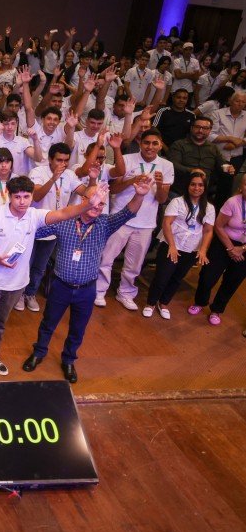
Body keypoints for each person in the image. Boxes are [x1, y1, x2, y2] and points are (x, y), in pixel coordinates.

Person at [0, 175, 107, 382]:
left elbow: (63, 213)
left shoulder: (34, 215)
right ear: (9, 195)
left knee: (0, 323)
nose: (22, 201)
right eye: (17, 197)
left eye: (26, 196)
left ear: (31, 197)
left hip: (17, 283)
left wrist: (88, 203)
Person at [21, 179, 150, 383]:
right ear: (83, 200)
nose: (97, 206)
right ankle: (39, 353)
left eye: (101, 203)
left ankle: (69, 360)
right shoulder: (64, 221)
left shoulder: (105, 224)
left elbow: (128, 212)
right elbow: (35, 231)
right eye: (94, 201)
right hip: (60, 286)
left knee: (78, 328)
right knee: (48, 323)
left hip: (87, 290)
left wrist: (140, 195)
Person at [96, 129, 173, 310]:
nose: (150, 147)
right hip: (120, 217)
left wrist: (160, 185)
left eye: (155, 143)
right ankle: (99, 291)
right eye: (147, 143)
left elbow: (162, 199)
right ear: (140, 143)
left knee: (134, 263)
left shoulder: (167, 166)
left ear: (160, 145)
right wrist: (133, 180)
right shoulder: (128, 159)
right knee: (106, 258)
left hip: (146, 222)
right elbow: (113, 190)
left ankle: (126, 293)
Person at [19, 142, 87, 312]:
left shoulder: (70, 175)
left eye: (65, 161)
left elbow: (85, 192)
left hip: (55, 228)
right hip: (34, 225)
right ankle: (19, 295)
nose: (62, 164)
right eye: (58, 160)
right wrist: (53, 179)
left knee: (40, 266)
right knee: (25, 262)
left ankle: (30, 293)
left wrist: (93, 179)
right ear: (50, 159)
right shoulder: (37, 172)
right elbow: (36, 195)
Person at [144, 171, 214, 319]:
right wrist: (172, 245)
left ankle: (163, 303)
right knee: (162, 276)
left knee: (177, 278)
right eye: (193, 184)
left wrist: (203, 250)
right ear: (188, 186)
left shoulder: (209, 208)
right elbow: (166, 223)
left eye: (200, 185)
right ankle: (150, 303)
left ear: (205, 187)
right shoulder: (177, 202)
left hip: (191, 249)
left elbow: (208, 231)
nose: (196, 188)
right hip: (171, 245)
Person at [190, 178, 246, 327]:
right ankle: (200, 302)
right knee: (208, 276)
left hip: (244, 248)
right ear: (241, 186)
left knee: (232, 281)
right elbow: (219, 226)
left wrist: (243, 248)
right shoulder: (233, 202)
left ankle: (217, 310)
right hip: (223, 242)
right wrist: (231, 248)